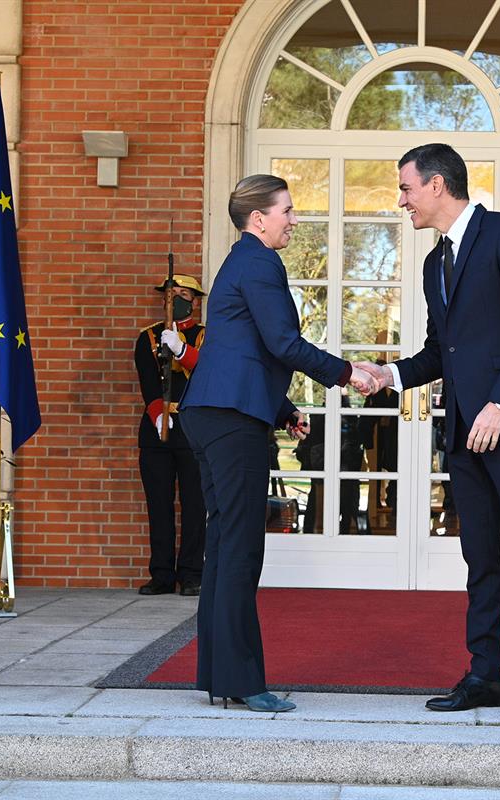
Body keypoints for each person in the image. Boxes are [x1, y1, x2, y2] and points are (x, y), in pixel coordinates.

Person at [357, 143, 500, 719]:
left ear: (436, 185)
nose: (401, 201)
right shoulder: (435, 263)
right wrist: (391, 374)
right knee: (480, 557)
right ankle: (485, 675)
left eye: (406, 189)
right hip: (464, 434)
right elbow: (441, 352)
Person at [180, 174, 375, 714]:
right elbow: (282, 343)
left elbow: (238, 347)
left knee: (223, 546)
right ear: (258, 218)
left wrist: (285, 409)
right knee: (240, 549)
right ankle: (242, 681)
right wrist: (347, 373)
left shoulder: (238, 262)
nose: (293, 219)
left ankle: (221, 675)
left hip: (211, 412)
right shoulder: (262, 262)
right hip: (231, 419)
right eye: (287, 210)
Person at [134, 274, 207, 597]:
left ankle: (191, 573)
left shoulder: (205, 337)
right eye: (169, 294)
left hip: (193, 429)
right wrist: (158, 414)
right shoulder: (147, 337)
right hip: (158, 431)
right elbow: (148, 383)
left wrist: (181, 350)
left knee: (195, 504)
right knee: (159, 505)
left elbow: (206, 373)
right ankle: (162, 574)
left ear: (195, 301)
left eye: (181, 294)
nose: (174, 299)